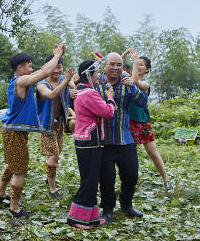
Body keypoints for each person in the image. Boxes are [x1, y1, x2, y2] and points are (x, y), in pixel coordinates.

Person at [0, 43, 67, 218]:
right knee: (20, 170)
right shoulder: (20, 80)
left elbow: (41, 72)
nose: (31, 68)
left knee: (12, 164)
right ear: (20, 67)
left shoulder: (20, 81)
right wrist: (56, 55)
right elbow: (43, 73)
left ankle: (0, 194)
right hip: (14, 132)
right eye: (29, 65)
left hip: (14, 131)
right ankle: (14, 207)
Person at [98, 49, 148, 224]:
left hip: (125, 138)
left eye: (119, 64)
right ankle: (108, 209)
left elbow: (142, 102)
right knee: (106, 178)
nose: (116, 68)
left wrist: (132, 87)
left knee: (131, 175)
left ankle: (126, 204)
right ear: (104, 66)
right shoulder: (98, 83)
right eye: (112, 64)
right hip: (104, 141)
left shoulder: (127, 82)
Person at [67, 59, 117, 228]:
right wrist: (110, 98)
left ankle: (92, 217)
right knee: (89, 181)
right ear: (88, 74)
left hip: (83, 139)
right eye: (96, 72)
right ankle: (75, 218)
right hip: (91, 141)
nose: (99, 76)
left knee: (91, 179)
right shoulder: (90, 93)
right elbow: (107, 112)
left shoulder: (79, 91)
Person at [122, 52, 174, 191]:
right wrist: (125, 54)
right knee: (129, 155)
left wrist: (133, 61)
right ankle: (132, 183)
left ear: (147, 69)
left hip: (142, 121)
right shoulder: (125, 77)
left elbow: (135, 83)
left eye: (141, 65)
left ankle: (166, 181)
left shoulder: (145, 83)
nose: (138, 66)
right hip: (127, 121)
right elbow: (116, 65)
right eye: (136, 64)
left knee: (152, 153)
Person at [35, 54, 74, 198]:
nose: (56, 70)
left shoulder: (64, 79)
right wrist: (67, 82)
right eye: (53, 67)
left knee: (57, 154)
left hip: (60, 123)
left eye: (59, 66)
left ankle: (49, 176)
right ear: (47, 68)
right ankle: (52, 188)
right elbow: (51, 95)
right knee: (54, 154)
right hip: (46, 124)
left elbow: (74, 86)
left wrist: (73, 91)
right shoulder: (41, 84)